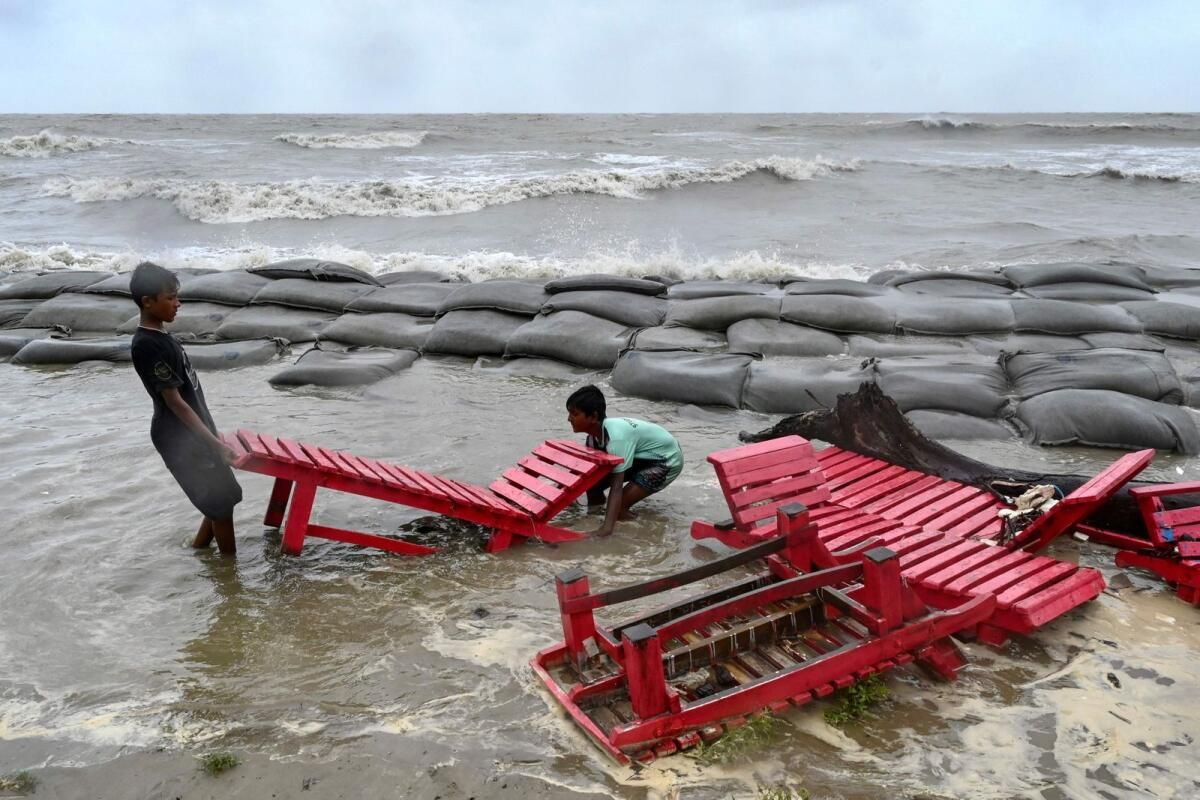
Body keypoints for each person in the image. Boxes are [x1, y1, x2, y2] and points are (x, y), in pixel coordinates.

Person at [130, 262, 242, 554]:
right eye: (170, 298)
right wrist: (215, 444)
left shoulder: (163, 337)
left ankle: (200, 552)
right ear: (147, 301)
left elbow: (190, 396)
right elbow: (175, 402)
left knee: (223, 499)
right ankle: (230, 574)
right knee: (219, 505)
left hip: (195, 431)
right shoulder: (146, 345)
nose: (178, 304)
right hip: (179, 438)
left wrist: (213, 433)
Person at [566, 385, 683, 537]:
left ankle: (648, 527)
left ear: (593, 417)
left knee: (619, 509)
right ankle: (595, 516)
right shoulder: (593, 438)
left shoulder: (616, 439)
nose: (569, 419)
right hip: (641, 457)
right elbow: (584, 473)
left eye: (574, 414)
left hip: (666, 460)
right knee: (593, 484)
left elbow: (616, 487)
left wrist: (605, 530)